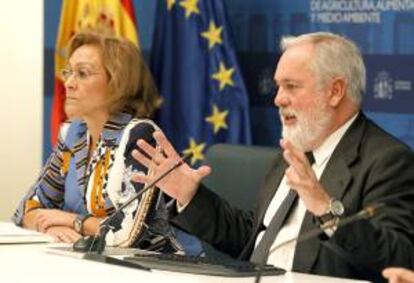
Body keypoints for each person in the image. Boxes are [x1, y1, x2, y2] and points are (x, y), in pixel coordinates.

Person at [131, 32, 414, 282]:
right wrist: (190, 196)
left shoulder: (388, 160)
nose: (278, 98)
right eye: (278, 86)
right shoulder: (295, 149)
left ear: (335, 91)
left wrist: (326, 208)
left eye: (291, 86)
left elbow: (398, 260)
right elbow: (252, 238)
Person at [13, 32, 202, 255]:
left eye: (82, 74)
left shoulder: (140, 136)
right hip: (96, 260)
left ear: (117, 83)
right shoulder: (73, 134)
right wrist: (50, 224)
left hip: (163, 266)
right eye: (68, 72)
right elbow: (27, 208)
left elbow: (129, 235)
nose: (69, 83)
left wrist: (74, 222)